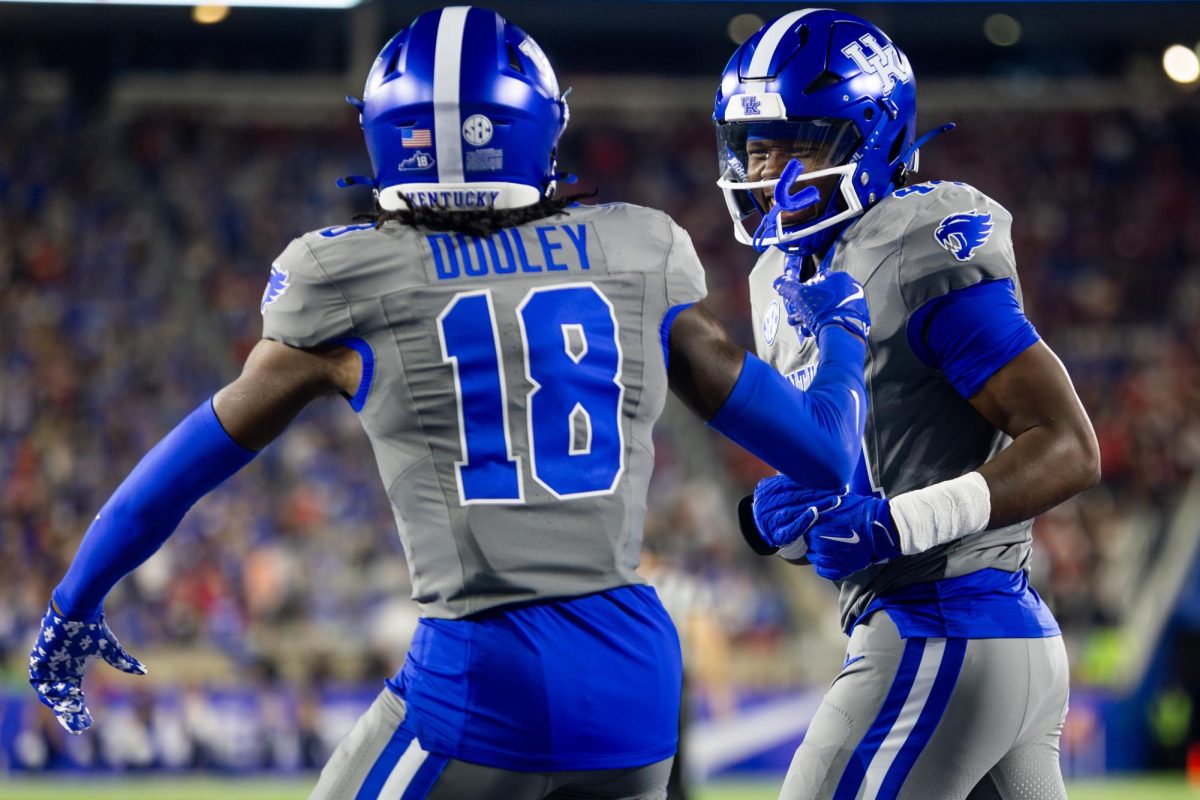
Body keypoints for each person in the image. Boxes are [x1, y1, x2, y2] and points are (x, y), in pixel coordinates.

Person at [28, 7, 872, 800]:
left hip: (484, 668)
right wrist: (838, 339)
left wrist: (75, 600)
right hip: (636, 685)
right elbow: (825, 451)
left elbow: (184, 467)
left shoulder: (349, 273)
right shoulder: (639, 245)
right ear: (538, 124)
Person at [713, 9, 1101, 800]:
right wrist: (780, 520)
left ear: (873, 137)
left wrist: (898, 523)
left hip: (942, 627)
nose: (771, 171)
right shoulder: (786, 280)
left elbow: (1069, 445)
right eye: (758, 146)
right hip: (983, 642)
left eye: (802, 143)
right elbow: (853, 464)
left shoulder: (915, 250)